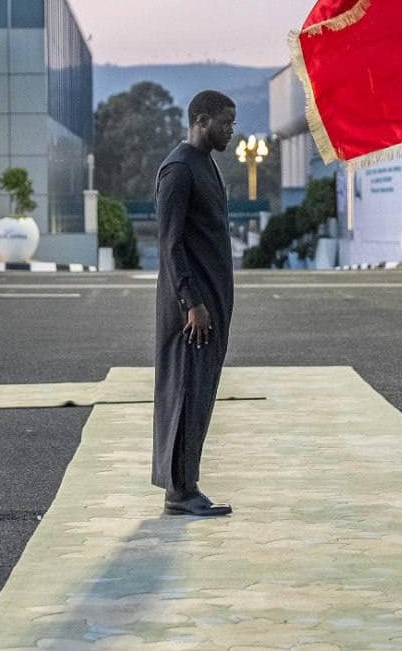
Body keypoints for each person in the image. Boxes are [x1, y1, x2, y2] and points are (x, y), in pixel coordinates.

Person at [154, 90, 237, 517]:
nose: (231, 131)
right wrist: (191, 301)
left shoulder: (205, 164)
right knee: (186, 391)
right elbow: (169, 244)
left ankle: (186, 484)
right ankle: (180, 491)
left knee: (200, 393)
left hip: (210, 304)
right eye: (225, 122)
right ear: (201, 121)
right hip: (192, 308)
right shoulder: (179, 169)